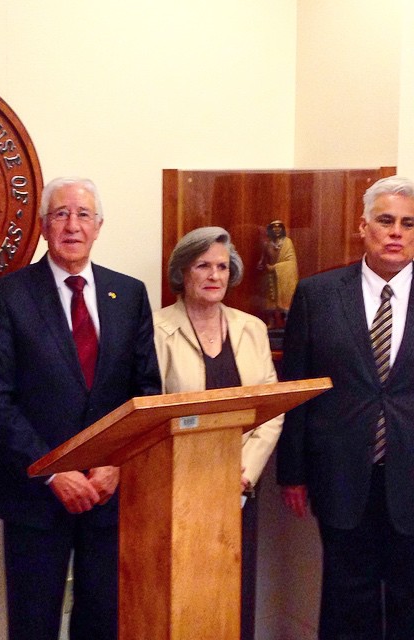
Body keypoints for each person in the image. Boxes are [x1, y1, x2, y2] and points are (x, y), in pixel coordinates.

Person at [0, 176, 161, 640]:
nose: (72, 225)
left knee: (103, 621)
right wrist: (54, 472)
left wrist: (116, 463)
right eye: (60, 214)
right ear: (42, 227)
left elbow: (146, 393)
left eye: (82, 215)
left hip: (108, 493)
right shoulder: (8, 296)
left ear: (98, 226)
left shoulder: (129, 294)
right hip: (35, 494)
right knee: (33, 623)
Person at [277, 175, 414, 639]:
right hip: (340, 473)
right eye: (386, 221)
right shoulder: (318, 295)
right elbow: (297, 388)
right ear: (363, 227)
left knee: (408, 600)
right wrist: (291, 471)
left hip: (411, 471)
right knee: (345, 600)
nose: (397, 232)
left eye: (409, 224)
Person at [153, 226, 283, 640]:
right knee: (184, 593)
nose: (214, 275)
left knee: (235, 588)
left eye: (222, 267)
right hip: (180, 488)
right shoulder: (156, 330)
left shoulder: (252, 329)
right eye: (202, 265)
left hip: (239, 486)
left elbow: (270, 411)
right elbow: (153, 413)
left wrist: (243, 474)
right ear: (182, 273)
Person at [257, 220, 299, 329]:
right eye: (274, 227)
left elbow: (291, 262)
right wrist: (262, 265)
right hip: (271, 277)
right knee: (271, 301)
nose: (276, 229)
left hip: (283, 277)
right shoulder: (268, 244)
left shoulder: (287, 242)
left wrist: (275, 267)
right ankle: (271, 322)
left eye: (279, 227)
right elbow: (263, 259)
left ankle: (287, 323)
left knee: (285, 300)